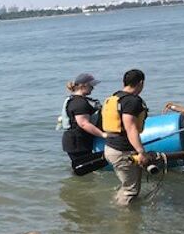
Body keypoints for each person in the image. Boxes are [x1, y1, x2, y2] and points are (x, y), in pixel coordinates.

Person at [102, 69, 150, 206]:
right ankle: (125, 222)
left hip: (111, 147)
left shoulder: (114, 98)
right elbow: (131, 128)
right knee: (131, 191)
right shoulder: (131, 101)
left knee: (127, 186)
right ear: (141, 83)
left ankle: (117, 206)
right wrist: (141, 152)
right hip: (122, 151)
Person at [58, 73, 107, 168]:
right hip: (78, 144)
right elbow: (84, 124)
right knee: (84, 170)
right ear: (83, 85)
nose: (93, 88)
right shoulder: (79, 103)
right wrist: (103, 134)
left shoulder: (76, 100)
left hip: (77, 142)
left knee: (83, 170)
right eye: (91, 85)